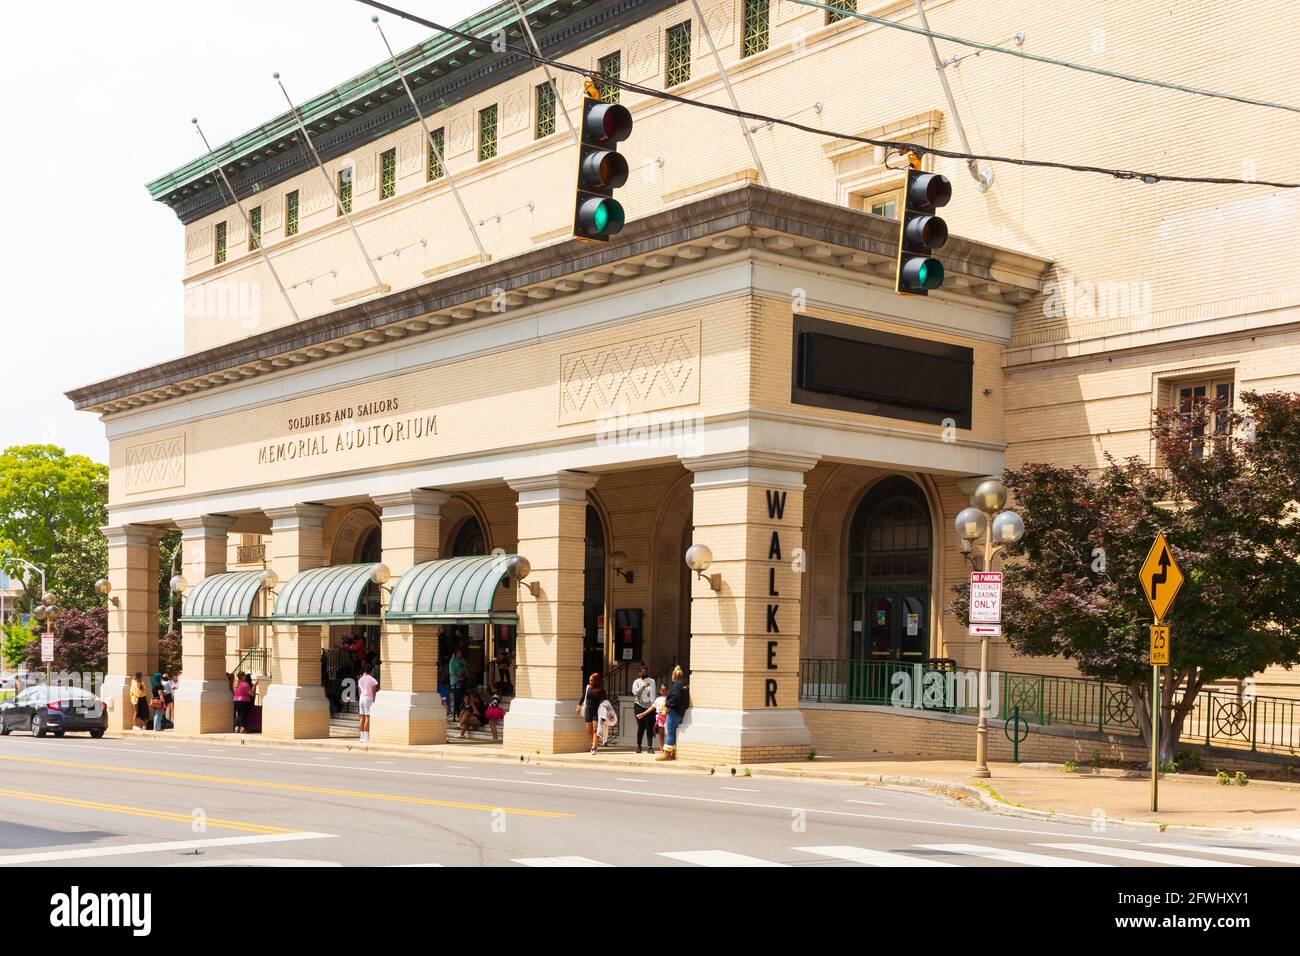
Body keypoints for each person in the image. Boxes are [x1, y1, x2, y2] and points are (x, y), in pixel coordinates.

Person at [656, 666, 689, 762]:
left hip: (673, 712)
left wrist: (667, 703)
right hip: (680, 712)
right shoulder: (685, 684)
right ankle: (672, 753)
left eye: (672, 675)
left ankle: (667, 754)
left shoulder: (677, 685)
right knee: (673, 733)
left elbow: (675, 697)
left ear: (674, 675)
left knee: (670, 733)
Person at [576, 672, 605, 755]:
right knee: (588, 730)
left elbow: (604, 701)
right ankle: (593, 744)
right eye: (589, 680)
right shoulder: (588, 687)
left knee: (595, 729)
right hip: (588, 710)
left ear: (596, 681)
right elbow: (583, 696)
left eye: (591, 680)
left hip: (597, 711)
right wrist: (579, 705)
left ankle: (594, 747)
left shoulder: (601, 690)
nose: (589, 681)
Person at [632, 664, 657, 754]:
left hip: (649, 706)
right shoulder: (636, 682)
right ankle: (639, 746)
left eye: (645, 672)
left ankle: (650, 746)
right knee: (641, 727)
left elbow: (653, 694)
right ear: (639, 673)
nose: (644, 673)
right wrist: (642, 687)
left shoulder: (652, 681)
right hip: (639, 706)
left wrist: (653, 706)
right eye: (642, 672)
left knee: (649, 727)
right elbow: (636, 694)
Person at [357, 665, 378, 742]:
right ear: (371, 671)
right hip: (368, 699)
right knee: (367, 717)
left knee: (362, 717)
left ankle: (361, 737)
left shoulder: (360, 679)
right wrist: (374, 700)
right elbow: (374, 692)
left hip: (361, 698)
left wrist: (360, 698)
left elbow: (359, 691)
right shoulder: (372, 680)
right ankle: (366, 737)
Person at [448, 646, 468, 720]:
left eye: (461, 652)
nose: (460, 654)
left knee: (463, 697)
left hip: (463, 681)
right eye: (458, 653)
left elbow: (466, 668)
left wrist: (465, 674)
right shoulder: (452, 661)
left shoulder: (463, 660)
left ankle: (462, 711)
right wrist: (458, 678)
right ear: (455, 653)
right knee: (457, 699)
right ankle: (457, 713)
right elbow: (452, 673)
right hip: (456, 683)